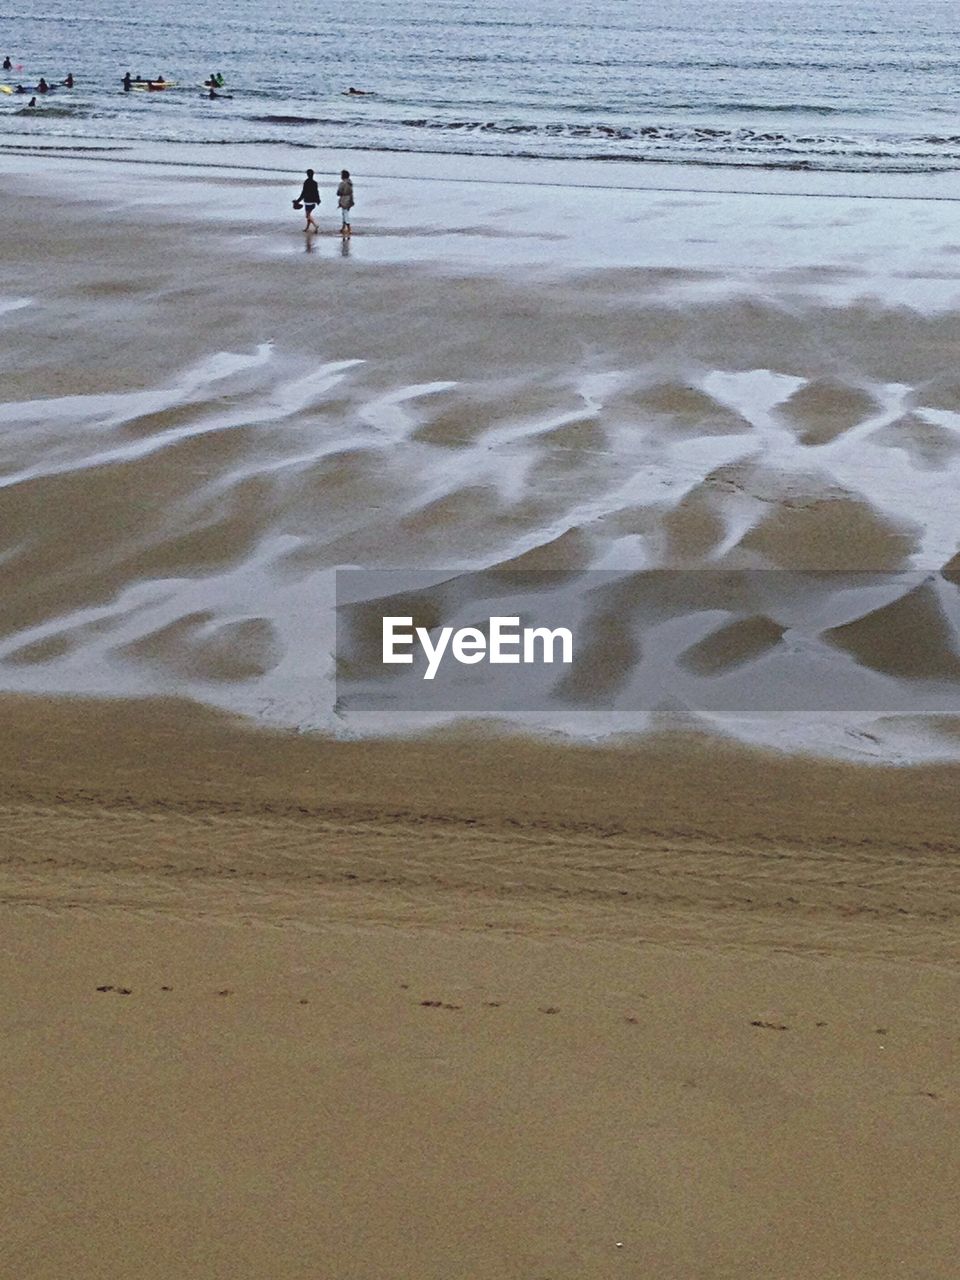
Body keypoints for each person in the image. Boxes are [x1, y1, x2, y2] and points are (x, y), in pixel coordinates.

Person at [295, 168, 320, 233]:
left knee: (307, 215)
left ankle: (315, 225)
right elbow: (316, 192)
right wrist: (318, 200)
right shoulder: (315, 183)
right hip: (313, 201)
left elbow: (303, 192)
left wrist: (298, 200)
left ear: (307, 175)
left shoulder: (306, 182)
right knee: (308, 215)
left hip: (308, 201)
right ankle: (307, 228)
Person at [336, 169, 354, 236]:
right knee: (345, 213)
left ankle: (349, 228)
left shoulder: (342, 183)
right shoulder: (350, 183)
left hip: (344, 199)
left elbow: (339, 192)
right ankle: (343, 227)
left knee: (345, 214)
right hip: (350, 199)